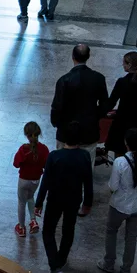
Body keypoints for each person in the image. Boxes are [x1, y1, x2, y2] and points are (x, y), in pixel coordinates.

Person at [35, 120, 94, 273]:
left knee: (48, 231)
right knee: (68, 230)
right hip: (74, 199)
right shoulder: (84, 156)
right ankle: (60, 260)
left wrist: (39, 203)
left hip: (55, 199)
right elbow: (88, 182)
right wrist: (87, 202)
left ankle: (54, 267)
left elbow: (45, 182)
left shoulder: (54, 156)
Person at [97, 127, 137, 273]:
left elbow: (113, 186)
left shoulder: (120, 162)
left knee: (111, 231)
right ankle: (126, 271)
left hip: (119, 205)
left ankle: (108, 263)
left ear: (126, 143)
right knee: (131, 238)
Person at [50, 44, 108, 183]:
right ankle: (83, 197)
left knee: (63, 167)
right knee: (86, 168)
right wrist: (94, 116)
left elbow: (57, 106)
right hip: (89, 131)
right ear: (88, 57)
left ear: (72, 57)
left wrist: (56, 123)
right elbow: (105, 105)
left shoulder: (64, 80)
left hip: (66, 132)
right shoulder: (98, 78)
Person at [102, 51, 137, 160]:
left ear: (129, 65)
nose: (123, 65)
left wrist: (100, 111)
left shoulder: (122, 82)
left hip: (122, 122)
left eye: (124, 63)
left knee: (119, 153)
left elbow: (111, 102)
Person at [13, 121, 49, 237]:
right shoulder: (44, 149)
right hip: (36, 180)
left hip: (24, 180)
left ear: (26, 135)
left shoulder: (24, 149)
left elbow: (16, 164)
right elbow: (46, 165)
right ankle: (33, 220)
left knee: (21, 202)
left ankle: (22, 227)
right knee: (30, 198)